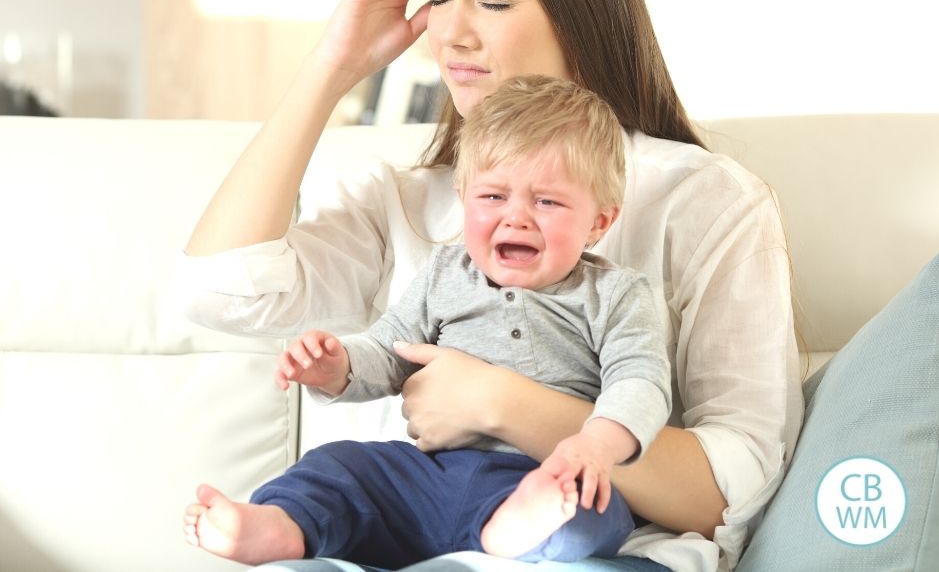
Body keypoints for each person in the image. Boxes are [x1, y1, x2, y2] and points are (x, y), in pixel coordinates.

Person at [178, 0, 802, 572]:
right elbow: (218, 291)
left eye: (492, 2)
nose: (452, 35)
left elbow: (733, 489)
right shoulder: (403, 201)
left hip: (592, 552)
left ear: (580, 15)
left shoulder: (704, 199)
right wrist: (332, 64)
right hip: (400, 538)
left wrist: (501, 402)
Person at [183, 75, 671, 567]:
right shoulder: (444, 274)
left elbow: (640, 382)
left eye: (546, 201)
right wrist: (337, 366)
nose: (516, 217)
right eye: (493, 197)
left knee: (595, 511)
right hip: (425, 475)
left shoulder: (615, 294)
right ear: (464, 197)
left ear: (599, 221)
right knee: (340, 466)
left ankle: (515, 531)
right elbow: (391, 350)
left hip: (536, 473)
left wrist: (595, 445)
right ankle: (280, 525)